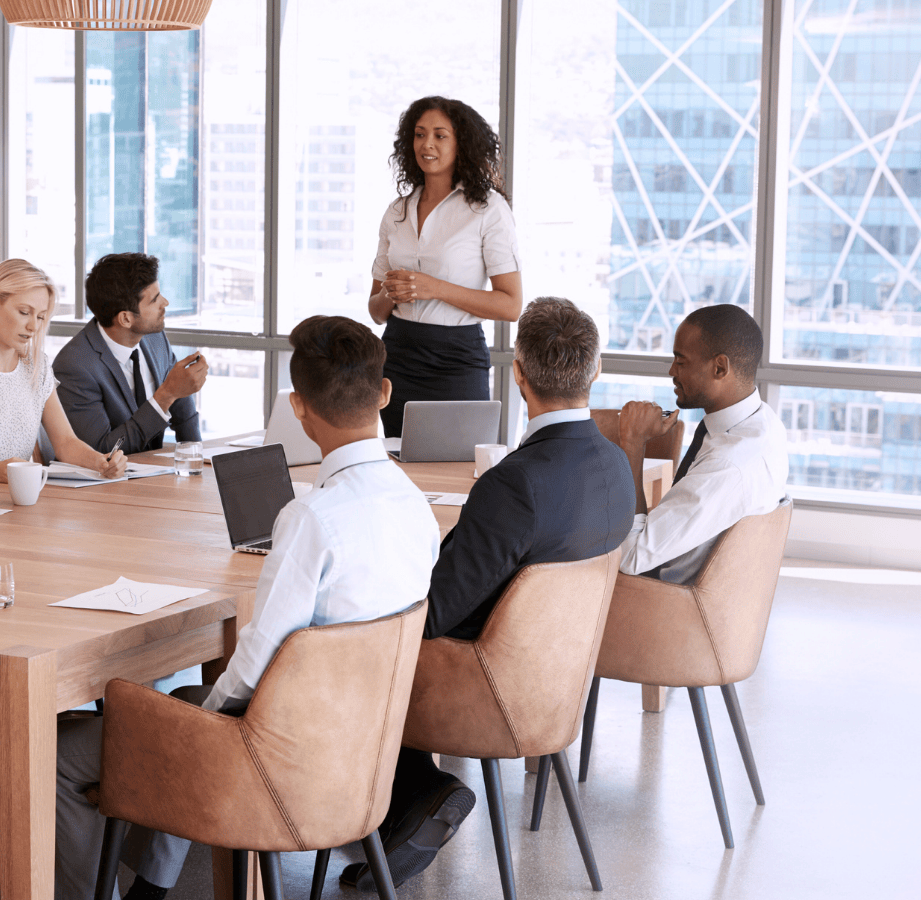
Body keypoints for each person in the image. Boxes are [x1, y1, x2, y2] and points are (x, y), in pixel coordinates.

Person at [53, 316, 441, 900]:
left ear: (299, 407)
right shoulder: (416, 506)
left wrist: (203, 720)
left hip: (277, 761)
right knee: (186, 706)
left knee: (61, 753)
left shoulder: (312, 518)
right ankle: (147, 890)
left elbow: (259, 657)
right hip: (362, 750)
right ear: (385, 393)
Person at [342, 297, 634, 892]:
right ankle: (408, 798)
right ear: (595, 370)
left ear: (518, 374)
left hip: (480, 684)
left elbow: (436, 613)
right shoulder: (615, 464)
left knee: (342, 643)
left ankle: (418, 791)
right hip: (554, 682)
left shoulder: (515, 483)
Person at [368, 95, 524, 437]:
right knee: (401, 462)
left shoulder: (488, 209)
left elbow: (511, 305)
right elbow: (376, 311)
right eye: (420, 134)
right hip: (398, 356)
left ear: (461, 144)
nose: (427, 144)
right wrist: (392, 293)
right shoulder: (397, 211)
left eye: (440, 135)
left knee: (457, 467)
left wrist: (433, 288)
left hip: (457, 360)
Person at [612, 304, 788, 583]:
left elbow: (631, 557)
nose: (671, 370)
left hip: (656, 600)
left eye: (681, 362)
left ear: (720, 368)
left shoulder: (726, 466)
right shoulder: (765, 423)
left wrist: (632, 444)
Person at [0, 259, 127, 483]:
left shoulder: (37, 367)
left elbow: (65, 442)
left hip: (22, 504)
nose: (33, 327)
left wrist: (101, 462)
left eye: (40, 317)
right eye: (24, 312)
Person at [53, 252, 205, 454]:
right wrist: (165, 395)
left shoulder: (153, 337)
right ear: (125, 319)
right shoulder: (74, 366)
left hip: (156, 476)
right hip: (108, 483)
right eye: (155, 300)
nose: (165, 303)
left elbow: (181, 402)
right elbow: (102, 451)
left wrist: (197, 458)